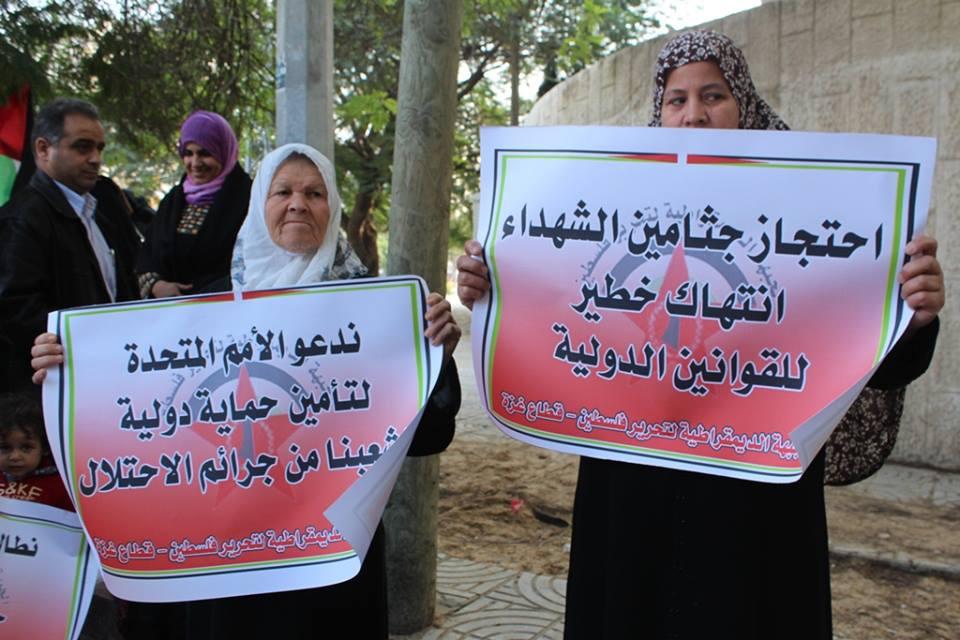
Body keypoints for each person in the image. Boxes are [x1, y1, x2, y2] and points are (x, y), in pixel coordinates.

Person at [456, 29, 944, 640]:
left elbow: (876, 358)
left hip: (753, 509)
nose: (694, 115)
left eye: (713, 95)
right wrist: (493, 287)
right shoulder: (609, 202)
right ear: (658, 114)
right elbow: (551, 300)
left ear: (744, 105)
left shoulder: (816, 209)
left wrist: (913, 317)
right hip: (631, 490)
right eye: (676, 99)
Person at [34, 142, 462, 639]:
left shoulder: (375, 313)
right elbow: (136, 401)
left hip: (331, 559)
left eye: (315, 193)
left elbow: (427, 436)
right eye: (283, 192)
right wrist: (68, 369)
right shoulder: (205, 309)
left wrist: (436, 356)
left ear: (333, 208)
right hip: (229, 560)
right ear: (260, 205)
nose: (298, 204)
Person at [0, 98, 140, 392]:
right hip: (56, 387)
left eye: (99, 148)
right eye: (82, 147)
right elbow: (17, 312)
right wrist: (76, 347)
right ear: (43, 149)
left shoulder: (100, 212)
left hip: (109, 376)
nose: (95, 158)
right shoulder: (23, 218)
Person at [136, 111, 251, 298]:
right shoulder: (173, 201)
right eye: (188, 153)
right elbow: (147, 255)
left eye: (205, 153)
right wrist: (156, 285)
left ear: (224, 153)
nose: (195, 163)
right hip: (170, 311)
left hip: (227, 309)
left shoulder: (248, 200)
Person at [0, 391, 73, 510]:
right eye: (4, 447)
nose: (15, 456)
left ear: (44, 448)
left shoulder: (61, 486)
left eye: (26, 447)